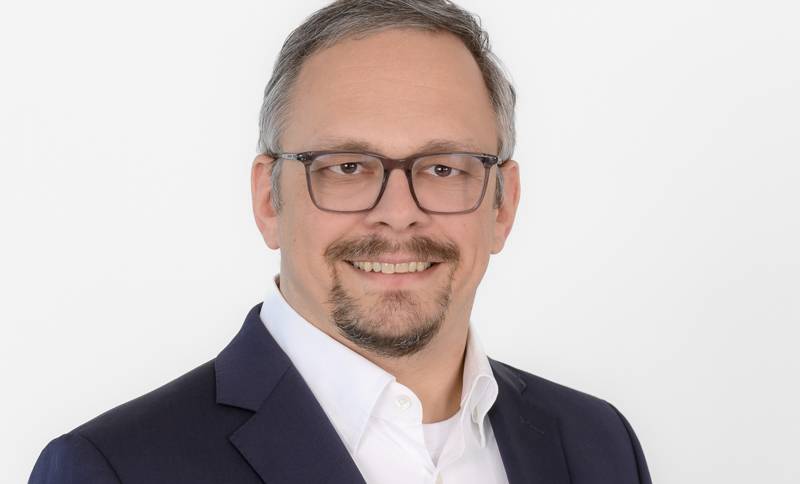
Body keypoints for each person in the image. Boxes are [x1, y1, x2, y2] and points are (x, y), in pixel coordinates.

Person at [29, 1, 652, 483]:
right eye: (347, 167)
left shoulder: (597, 445)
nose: (399, 214)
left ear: (502, 205)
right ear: (269, 199)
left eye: (444, 168)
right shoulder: (114, 470)